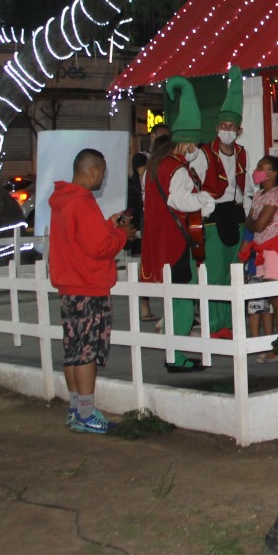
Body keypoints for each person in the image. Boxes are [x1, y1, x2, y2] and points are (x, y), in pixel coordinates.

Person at [48, 148, 134, 434]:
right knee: (86, 351)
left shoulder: (63, 200)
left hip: (70, 286)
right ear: (92, 170)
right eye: (102, 173)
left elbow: (82, 239)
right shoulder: (83, 202)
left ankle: (76, 409)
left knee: (73, 350)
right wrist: (122, 235)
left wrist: (108, 225)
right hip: (89, 287)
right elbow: (99, 247)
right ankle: (86, 412)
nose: (103, 178)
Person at [141, 77, 214, 373]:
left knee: (174, 299)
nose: (195, 148)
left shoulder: (156, 165)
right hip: (176, 242)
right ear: (186, 141)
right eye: (194, 143)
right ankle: (176, 355)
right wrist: (204, 200)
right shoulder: (177, 168)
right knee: (183, 299)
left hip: (160, 240)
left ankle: (175, 352)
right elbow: (179, 201)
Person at [196, 66, 248, 339]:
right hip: (214, 215)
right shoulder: (204, 154)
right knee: (216, 274)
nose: (227, 130)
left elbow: (243, 186)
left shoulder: (242, 153)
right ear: (218, 128)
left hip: (236, 215)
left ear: (239, 130)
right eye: (223, 126)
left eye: (232, 127)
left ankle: (231, 324)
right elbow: (195, 185)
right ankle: (216, 326)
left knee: (234, 273)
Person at [245, 156, 278, 362]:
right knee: (273, 299)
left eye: (262, 167)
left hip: (273, 250)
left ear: (273, 173)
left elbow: (258, 224)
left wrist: (253, 221)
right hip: (262, 250)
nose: (257, 170)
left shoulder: (276, 195)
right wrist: (253, 222)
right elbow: (250, 221)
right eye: (258, 166)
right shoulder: (259, 194)